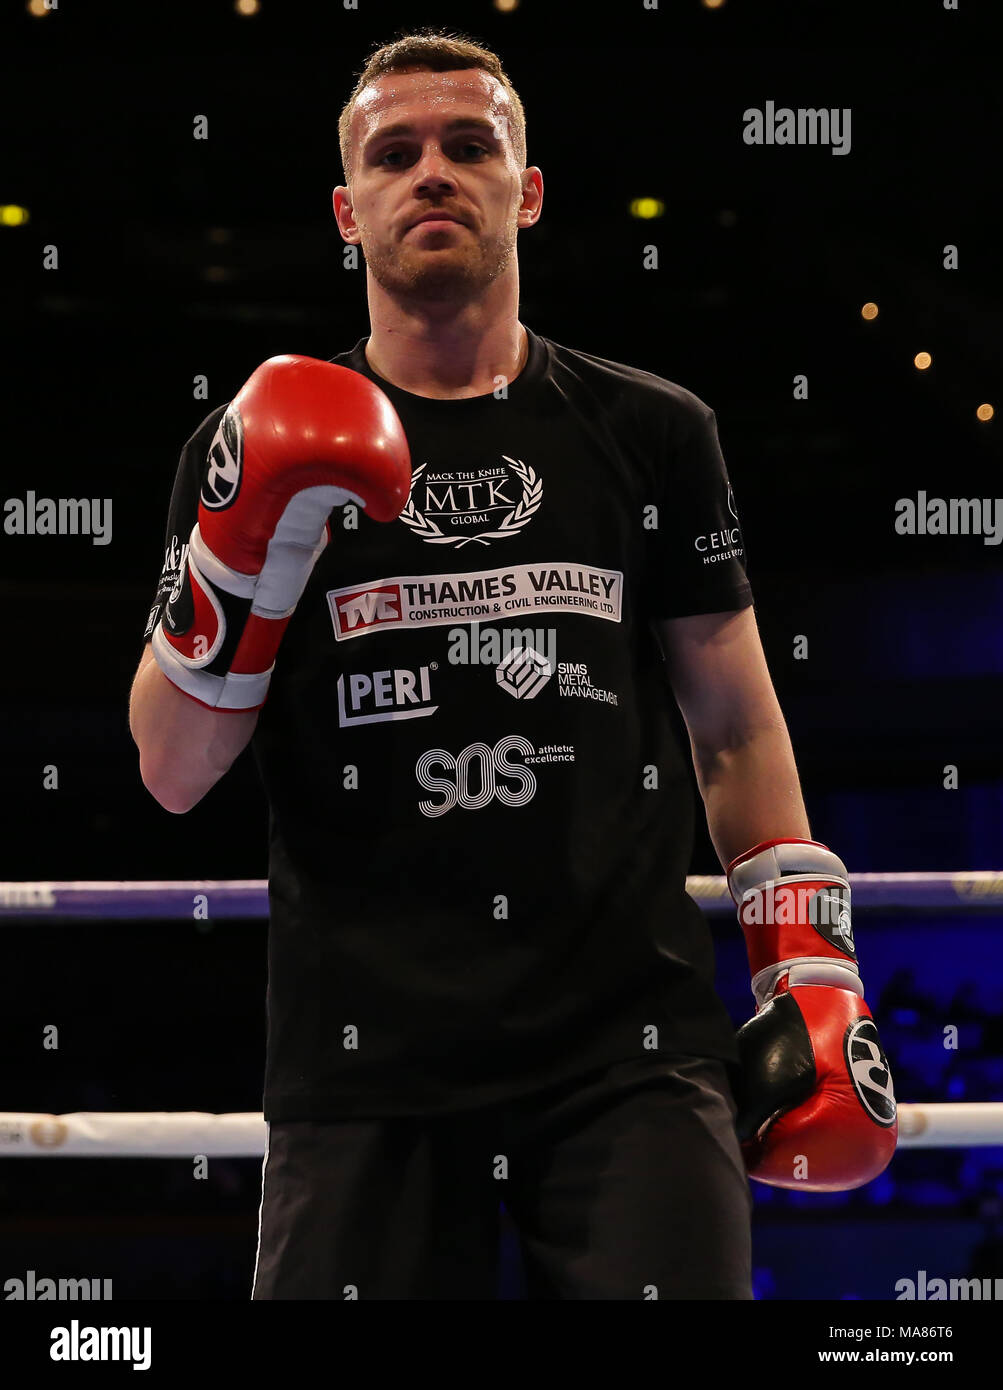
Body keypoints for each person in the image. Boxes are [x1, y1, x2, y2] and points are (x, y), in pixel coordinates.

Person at [129, 30, 896, 1301]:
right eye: (395, 154)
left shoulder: (652, 431)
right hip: (362, 1059)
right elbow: (169, 769)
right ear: (347, 208)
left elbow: (737, 729)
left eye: (469, 146)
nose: (433, 173)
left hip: (628, 1054)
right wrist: (241, 555)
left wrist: (810, 971)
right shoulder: (249, 437)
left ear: (525, 190)